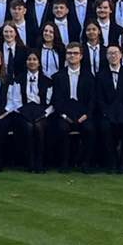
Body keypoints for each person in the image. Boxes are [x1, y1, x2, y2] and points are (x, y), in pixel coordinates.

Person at [51, 41, 95, 172]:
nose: (72, 56)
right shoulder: (58, 76)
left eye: (75, 53)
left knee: (90, 129)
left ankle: (86, 163)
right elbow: (56, 100)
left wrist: (86, 115)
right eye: (69, 53)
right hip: (65, 114)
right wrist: (64, 116)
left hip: (83, 114)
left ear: (81, 56)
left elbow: (93, 99)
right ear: (66, 56)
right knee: (62, 129)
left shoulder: (89, 76)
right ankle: (64, 163)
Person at [96, 45, 123, 173]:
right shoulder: (100, 76)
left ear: (121, 55)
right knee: (105, 127)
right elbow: (99, 98)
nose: (113, 56)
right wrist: (107, 114)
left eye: (115, 53)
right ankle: (111, 162)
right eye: (109, 53)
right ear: (106, 56)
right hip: (107, 114)